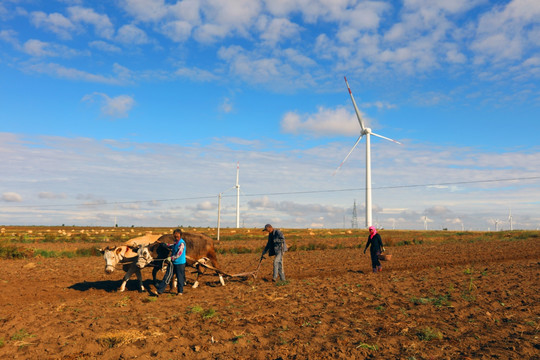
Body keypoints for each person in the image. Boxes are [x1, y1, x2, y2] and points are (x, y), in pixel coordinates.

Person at [153, 228, 186, 296]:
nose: (176, 237)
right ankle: (159, 291)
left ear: (180, 236)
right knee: (167, 276)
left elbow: (179, 254)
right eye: (175, 236)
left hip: (180, 263)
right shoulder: (175, 242)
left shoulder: (181, 243)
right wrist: (162, 244)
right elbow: (172, 246)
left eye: (177, 236)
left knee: (180, 277)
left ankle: (180, 292)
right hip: (173, 263)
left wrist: (171, 258)